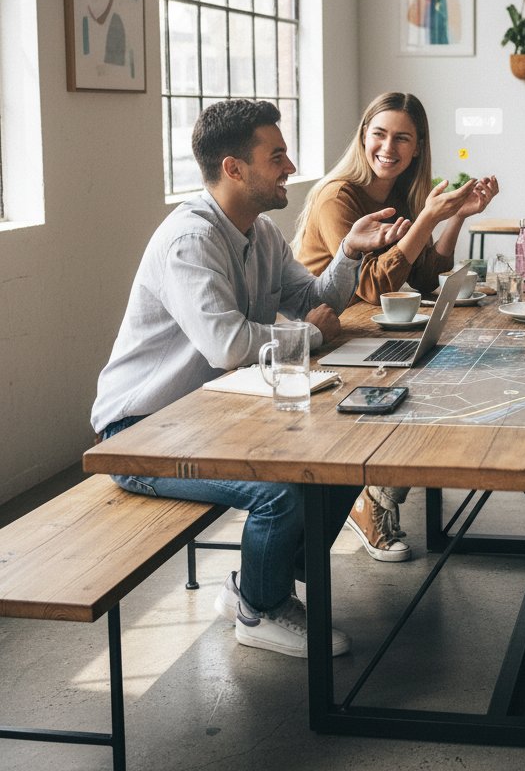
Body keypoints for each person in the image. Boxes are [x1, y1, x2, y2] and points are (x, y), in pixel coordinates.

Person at [92, 100, 410, 660]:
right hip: (138, 434)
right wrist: (308, 336)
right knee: (280, 492)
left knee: (340, 454)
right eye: (278, 155)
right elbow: (229, 347)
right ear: (235, 169)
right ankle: (259, 611)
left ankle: (263, 580)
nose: (290, 166)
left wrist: (350, 253)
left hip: (207, 417)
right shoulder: (190, 241)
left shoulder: (259, 232)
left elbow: (312, 300)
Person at [292, 92, 499, 562]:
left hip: (366, 332)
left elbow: (426, 277)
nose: (389, 147)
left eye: (402, 138)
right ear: (363, 136)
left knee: (447, 372)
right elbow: (370, 286)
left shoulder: (402, 193)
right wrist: (427, 216)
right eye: (379, 134)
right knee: (419, 385)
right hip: (323, 335)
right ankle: (370, 501)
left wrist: (456, 219)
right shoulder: (337, 195)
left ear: (418, 147)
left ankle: (377, 493)